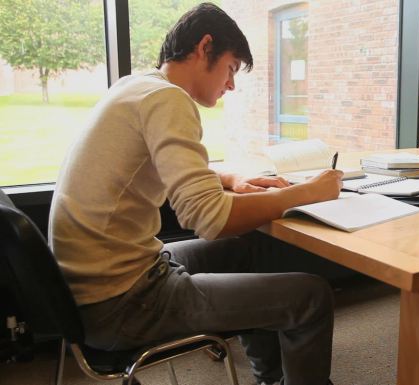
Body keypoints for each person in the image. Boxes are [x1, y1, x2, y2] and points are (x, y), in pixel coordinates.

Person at [48, 3, 340, 385]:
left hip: (95, 290)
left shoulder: (135, 86)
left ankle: (272, 379)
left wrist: (230, 178)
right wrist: (306, 193)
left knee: (250, 248)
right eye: (231, 69)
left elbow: (159, 162)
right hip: (125, 303)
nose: (232, 85)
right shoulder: (168, 100)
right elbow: (209, 219)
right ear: (205, 48)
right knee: (312, 297)